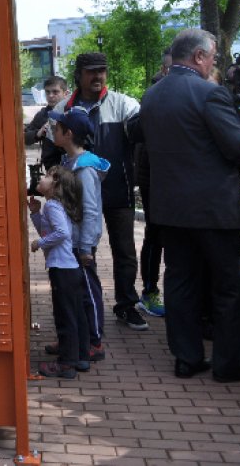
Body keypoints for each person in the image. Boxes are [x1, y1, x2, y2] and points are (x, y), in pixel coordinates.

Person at [141, 28, 240, 382]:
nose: (213, 63)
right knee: (227, 287)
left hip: (171, 210)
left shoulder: (152, 96)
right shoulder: (209, 93)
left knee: (180, 283)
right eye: (212, 57)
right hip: (214, 211)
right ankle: (229, 364)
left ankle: (187, 358)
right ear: (198, 56)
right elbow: (239, 150)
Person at [54, 53, 147, 331]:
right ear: (79, 75)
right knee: (81, 250)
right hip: (76, 195)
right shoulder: (62, 109)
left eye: (102, 71)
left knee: (125, 251)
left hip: (118, 190)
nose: (98, 76)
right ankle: (85, 307)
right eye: (91, 71)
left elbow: (141, 136)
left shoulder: (125, 104)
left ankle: (126, 305)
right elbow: (50, 154)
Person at [49, 109, 110, 363]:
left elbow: (91, 210)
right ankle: (75, 340)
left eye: (57, 127)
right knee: (74, 292)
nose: (53, 130)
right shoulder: (70, 162)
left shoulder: (84, 168)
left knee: (87, 292)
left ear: (69, 133)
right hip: (72, 240)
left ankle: (94, 341)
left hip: (80, 243)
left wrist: (85, 246)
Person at [28, 167, 90, 379]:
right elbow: (49, 231)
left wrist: (39, 243)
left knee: (65, 317)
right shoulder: (53, 206)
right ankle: (80, 355)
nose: (41, 177)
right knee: (76, 314)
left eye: (46, 176)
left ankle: (66, 363)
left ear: (55, 184)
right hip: (69, 269)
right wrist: (35, 213)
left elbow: (61, 233)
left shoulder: (53, 205)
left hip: (62, 270)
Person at [132, 49, 173, 319]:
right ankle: (149, 291)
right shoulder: (154, 96)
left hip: (178, 179)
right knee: (156, 234)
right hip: (156, 179)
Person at [24, 76, 70, 171]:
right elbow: (24, 138)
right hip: (50, 168)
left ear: (65, 93)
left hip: (72, 166)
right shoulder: (42, 114)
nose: (50, 96)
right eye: (47, 92)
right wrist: (38, 133)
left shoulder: (74, 113)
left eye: (55, 92)